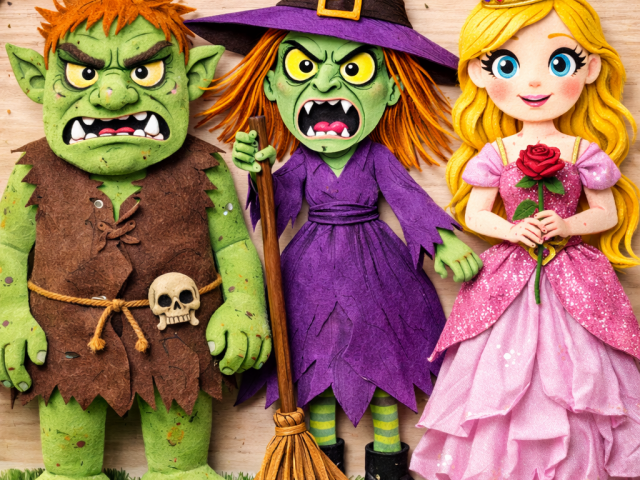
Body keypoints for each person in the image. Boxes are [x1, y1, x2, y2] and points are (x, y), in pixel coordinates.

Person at [187, 1, 482, 477]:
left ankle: (388, 467)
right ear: (271, 85)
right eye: (303, 66)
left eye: (354, 68)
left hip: (380, 277)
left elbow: (409, 202)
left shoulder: (378, 158)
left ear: (391, 90)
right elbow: (274, 212)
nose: (325, 83)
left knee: (386, 371)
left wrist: (444, 243)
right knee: (314, 375)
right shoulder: (301, 162)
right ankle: (321, 466)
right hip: (309, 276)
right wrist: (258, 170)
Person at [1, 1, 271, 478]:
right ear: (36, 81)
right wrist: (11, 315)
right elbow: (9, 247)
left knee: (183, 462)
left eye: (145, 71)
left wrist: (245, 306)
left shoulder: (205, 169)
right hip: (64, 345)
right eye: (84, 74)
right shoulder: (31, 173)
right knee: (67, 460)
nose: (112, 95)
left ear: (194, 77)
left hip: (179, 338)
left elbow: (233, 245)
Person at [410, 1, 640, 478]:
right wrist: (513, 229)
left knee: (582, 363)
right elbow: (475, 213)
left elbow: (608, 212)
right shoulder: (496, 153)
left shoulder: (582, 151)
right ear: (480, 73)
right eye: (507, 65)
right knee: (497, 363)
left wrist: (567, 225)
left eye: (560, 62)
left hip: (574, 272)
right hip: (511, 271)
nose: (534, 82)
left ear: (590, 69)